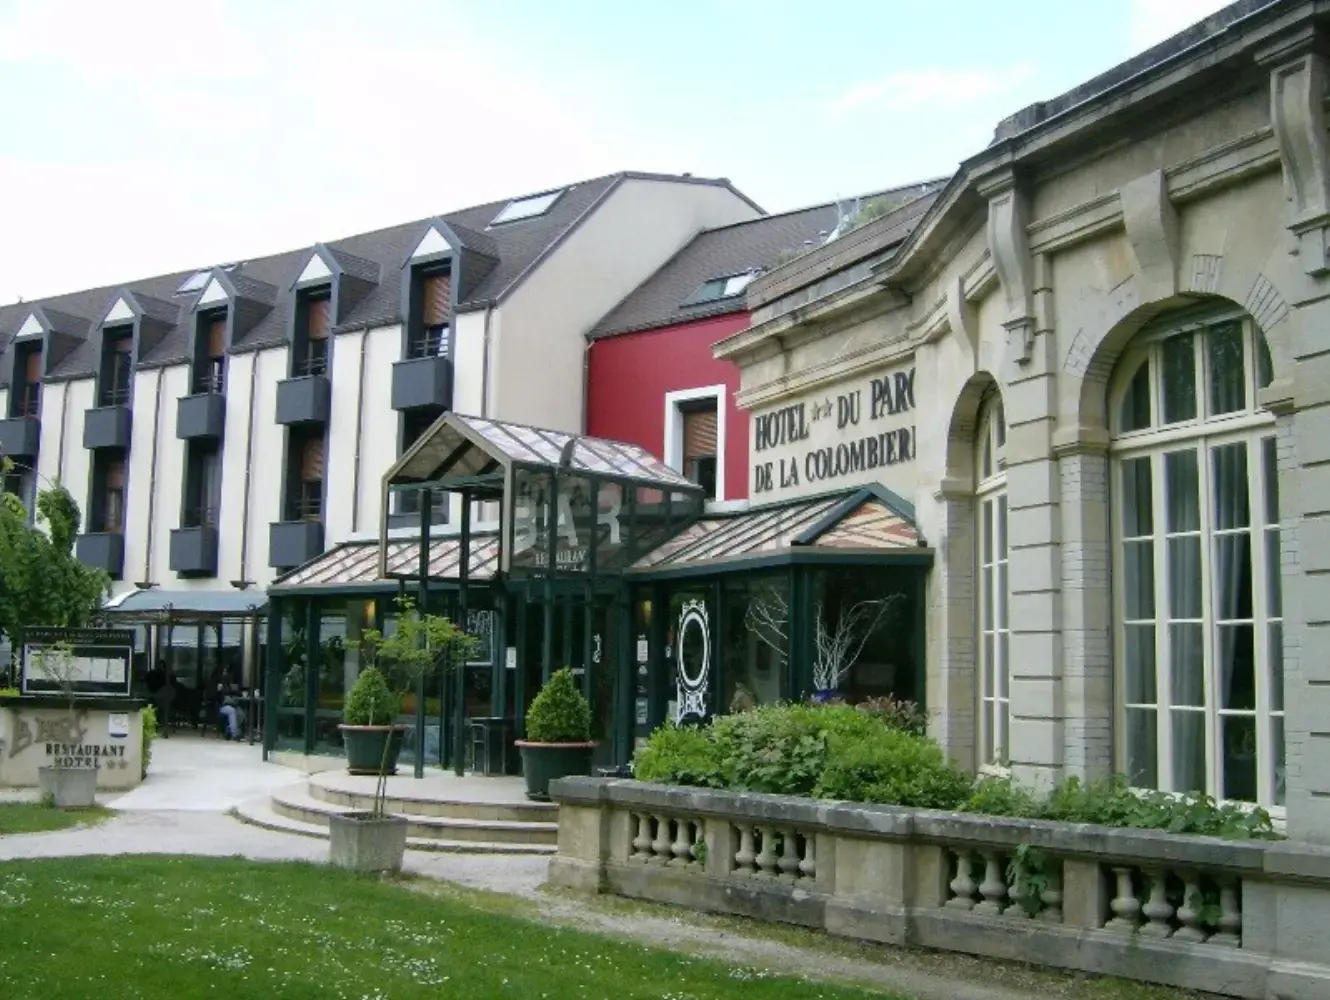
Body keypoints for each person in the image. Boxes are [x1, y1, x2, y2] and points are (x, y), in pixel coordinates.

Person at [146, 659, 174, 737]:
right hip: (159, 696)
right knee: (163, 709)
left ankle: (159, 723)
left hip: (158, 696)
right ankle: (162, 724)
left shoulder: (155, 674)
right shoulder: (164, 675)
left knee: (161, 709)